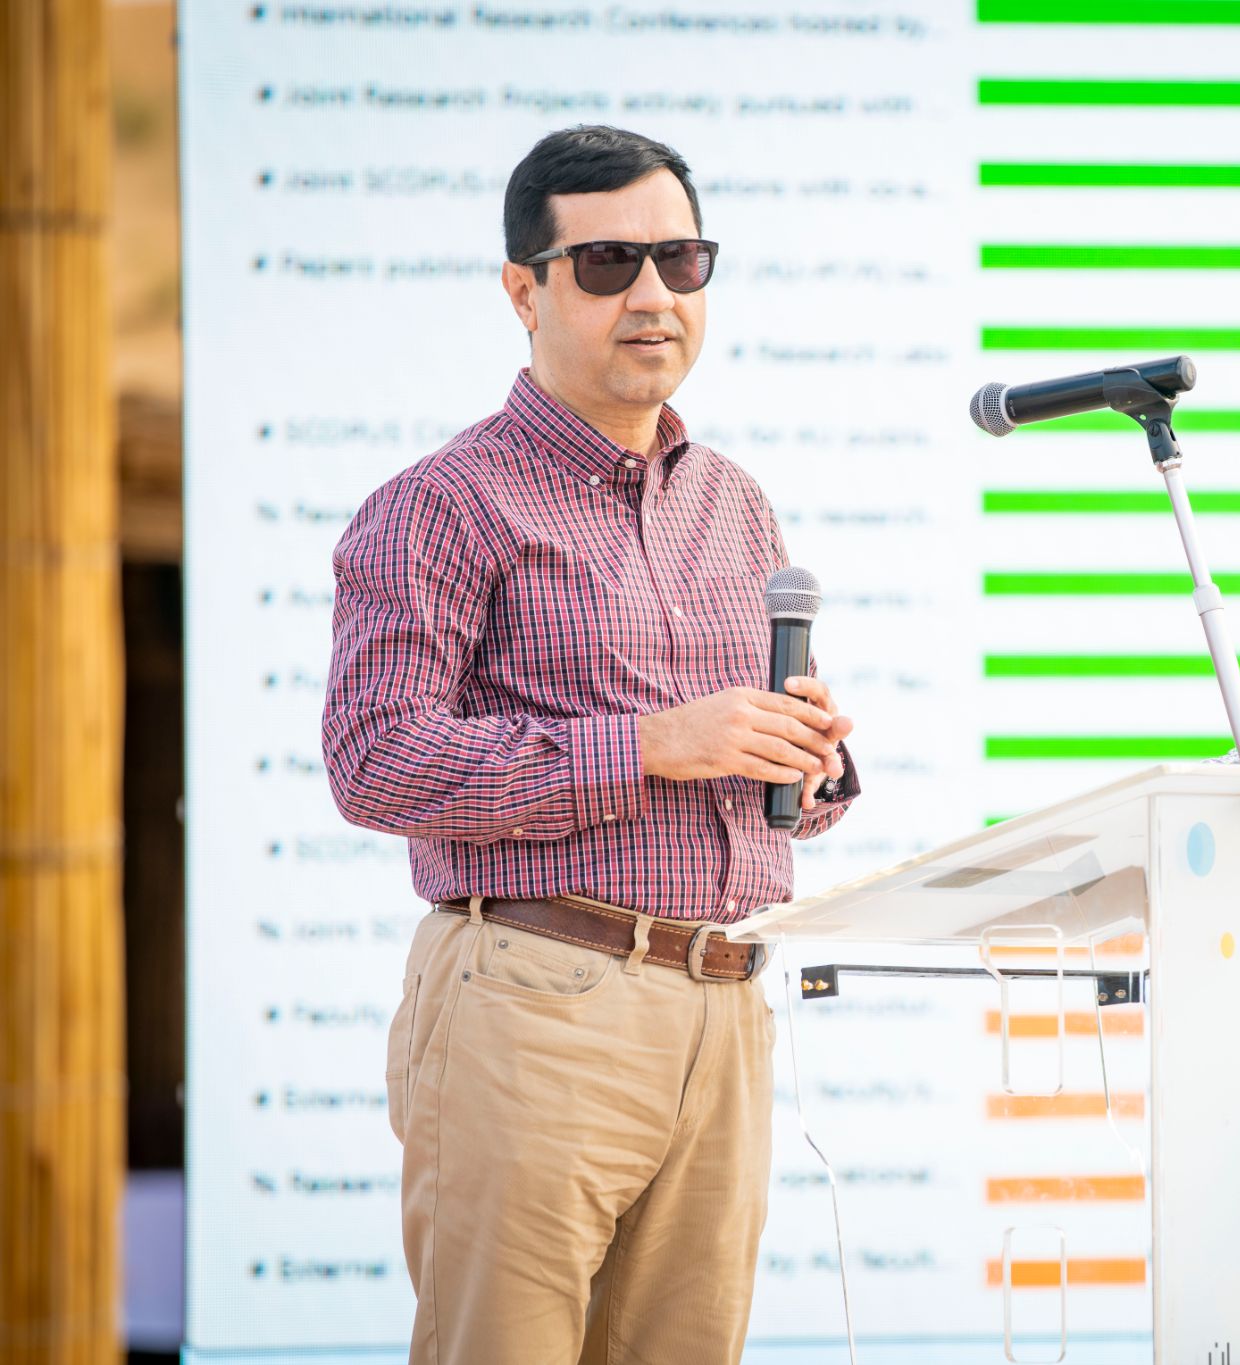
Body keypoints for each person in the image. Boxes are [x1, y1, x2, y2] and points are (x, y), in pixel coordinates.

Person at [320, 124, 858, 1365]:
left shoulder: (733, 502)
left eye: (682, 261)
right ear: (524, 291)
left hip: (724, 1008)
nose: (654, 295)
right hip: (537, 1002)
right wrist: (653, 743)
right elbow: (376, 758)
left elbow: (739, 771)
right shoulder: (443, 503)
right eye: (609, 263)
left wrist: (807, 757)